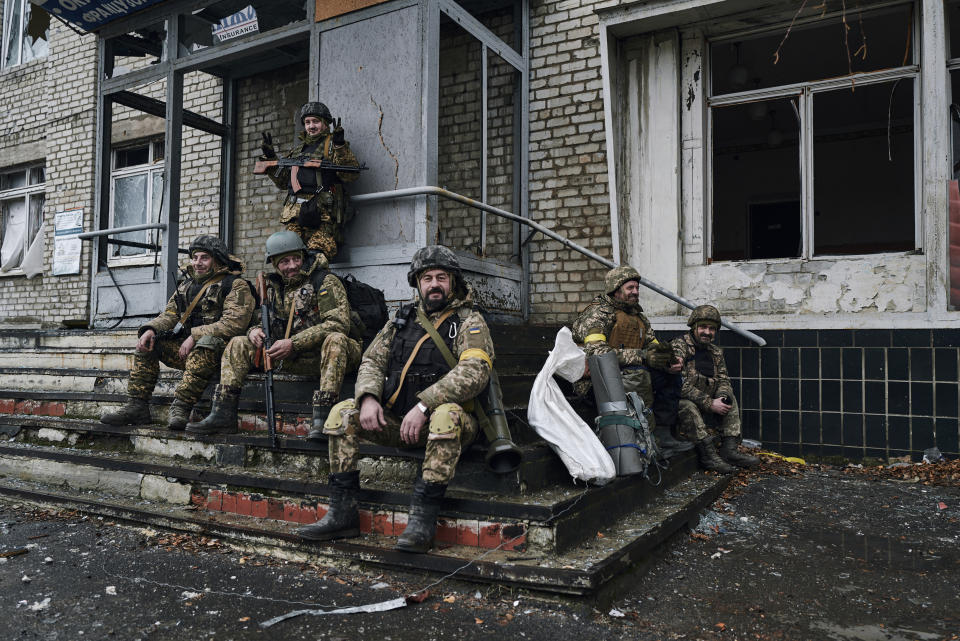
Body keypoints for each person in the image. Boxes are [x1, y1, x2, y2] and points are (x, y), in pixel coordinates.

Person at [296, 245, 494, 554]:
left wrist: (424, 404)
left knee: (446, 416)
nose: (434, 284)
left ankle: (422, 520)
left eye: (442, 277)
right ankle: (343, 512)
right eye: (427, 277)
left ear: (453, 281)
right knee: (341, 413)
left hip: (448, 424)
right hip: (399, 422)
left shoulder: (470, 322)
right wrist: (369, 397)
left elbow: (475, 371)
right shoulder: (400, 320)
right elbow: (372, 361)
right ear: (417, 282)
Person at [186, 231, 361, 437]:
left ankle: (323, 417)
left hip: (331, 357)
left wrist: (293, 343)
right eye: (284, 261)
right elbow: (257, 321)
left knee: (336, 339)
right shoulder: (273, 288)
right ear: (275, 264)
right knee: (238, 342)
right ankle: (223, 414)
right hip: (291, 358)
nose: (292, 265)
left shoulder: (325, 281)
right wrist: (254, 331)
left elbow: (338, 324)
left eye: (296, 258)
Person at [100, 236, 254, 430]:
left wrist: (195, 335)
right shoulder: (186, 286)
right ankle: (137, 406)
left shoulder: (235, 285)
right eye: (194, 257)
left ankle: (181, 407)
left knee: (206, 345)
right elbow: (170, 315)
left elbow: (234, 324)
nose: (197, 263)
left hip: (220, 355)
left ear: (218, 260)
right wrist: (150, 329)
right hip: (188, 351)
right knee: (149, 345)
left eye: (204, 258)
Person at [572, 265, 688, 451]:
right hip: (597, 382)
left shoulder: (638, 317)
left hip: (630, 375)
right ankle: (644, 439)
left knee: (671, 376)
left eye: (637, 288)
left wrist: (668, 359)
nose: (635, 292)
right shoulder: (597, 314)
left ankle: (663, 433)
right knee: (638, 373)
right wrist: (643, 357)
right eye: (630, 288)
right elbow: (598, 352)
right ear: (615, 290)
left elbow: (653, 345)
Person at [259, 101, 360, 261]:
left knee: (316, 258)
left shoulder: (331, 146)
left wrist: (340, 146)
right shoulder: (297, 150)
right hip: (295, 214)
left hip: (322, 213)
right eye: (307, 122)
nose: (311, 126)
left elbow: (350, 174)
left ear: (325, 124)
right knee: (289, 255)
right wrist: (271, 158)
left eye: (316, 121)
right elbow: (283, 182)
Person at [671, 305, 759, 472]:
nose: (707, 332)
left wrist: (723, 396)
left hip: (706, 400)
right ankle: (709, 456)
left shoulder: (715, 352)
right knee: (686, 406)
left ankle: (729, 450)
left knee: (729, 396)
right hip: (678, 403)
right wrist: (710, 403)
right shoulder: (679, 346)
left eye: (712, 329)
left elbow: (723, 380)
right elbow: (678, 383)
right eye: (703, 327)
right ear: (694, 327)